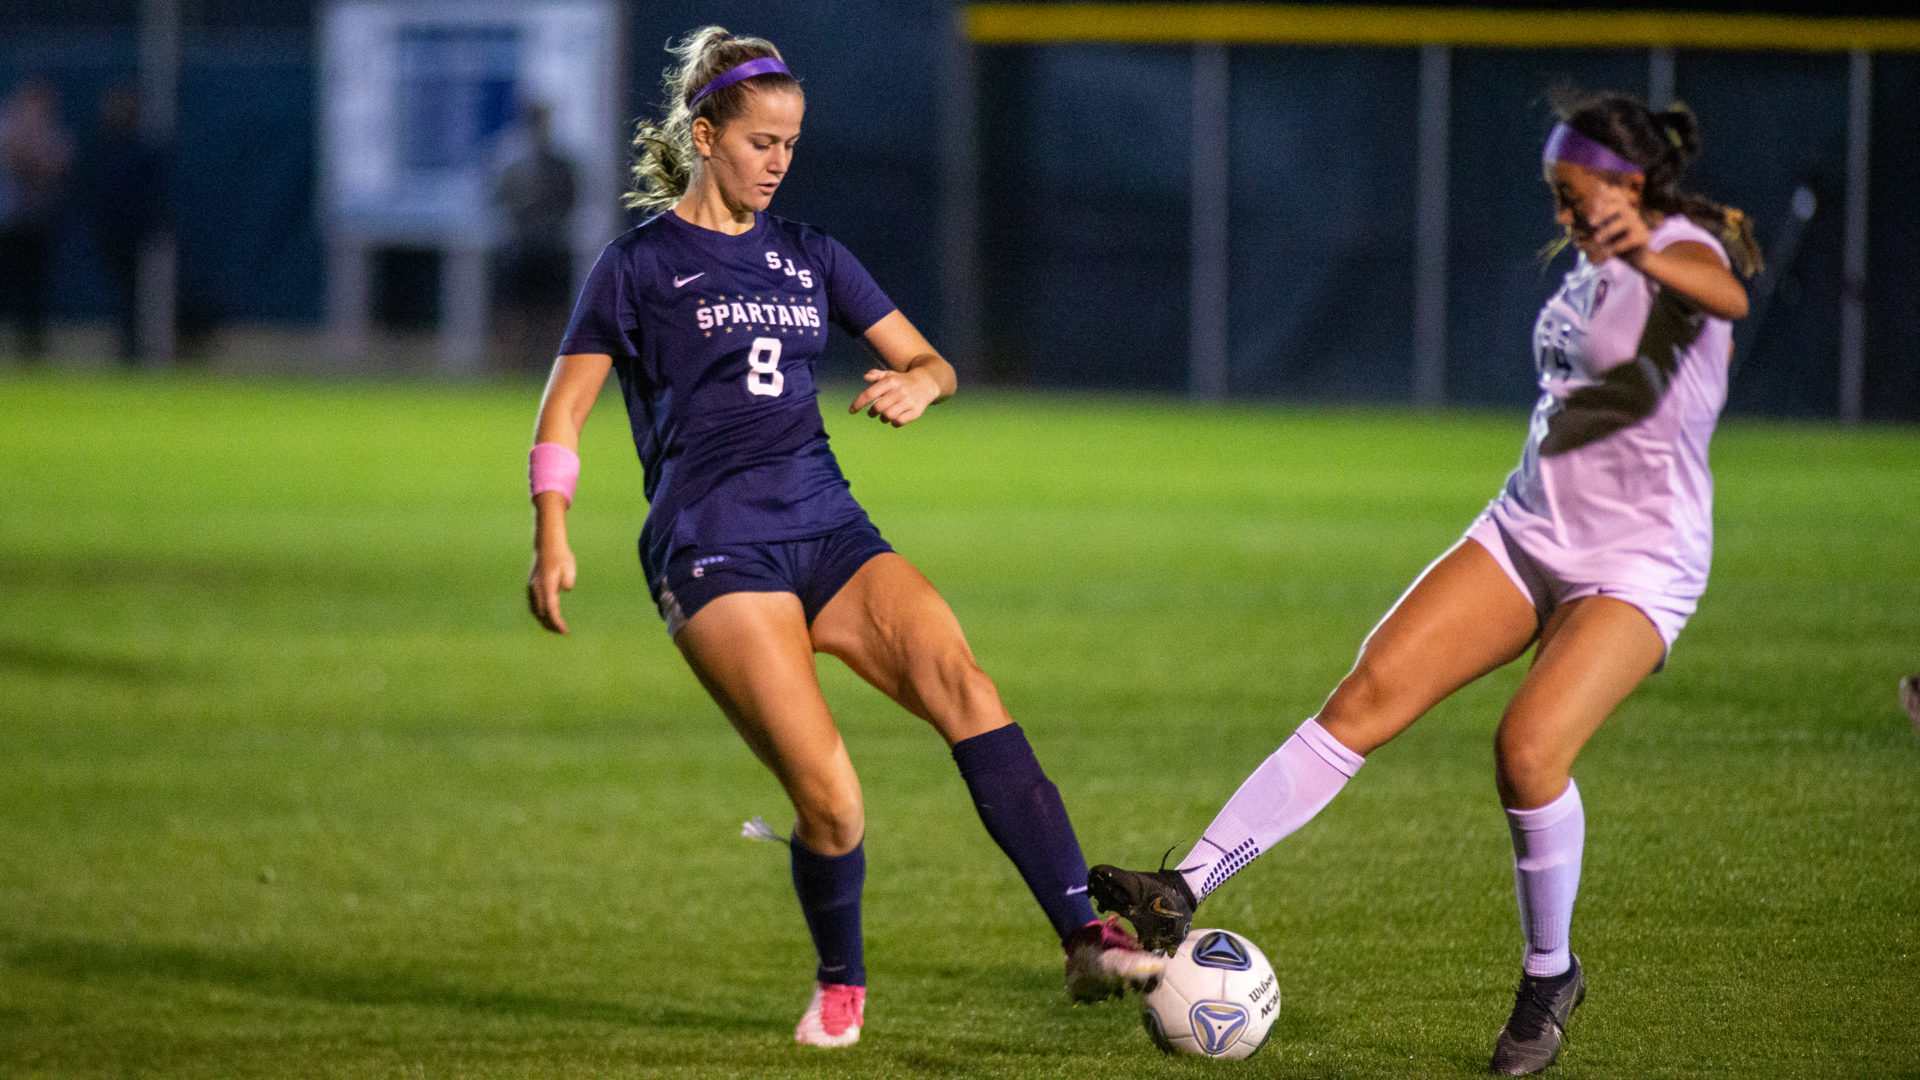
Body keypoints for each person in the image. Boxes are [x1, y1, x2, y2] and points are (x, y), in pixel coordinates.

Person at [1089, 91, 1759, 1076]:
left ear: (1629, 182)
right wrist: (1605, 248)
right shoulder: (1584, 268)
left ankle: (1549, 976)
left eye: (1576, 198)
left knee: (1528, 751)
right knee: (1365, 697)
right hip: (1527, 528)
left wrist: (1644, 249)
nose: (1566, 217)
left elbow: (1726, 293)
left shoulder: (1685, 251)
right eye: (1557, 199)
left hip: (1639, 561)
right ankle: (1180, 886)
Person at [523, 27, 1160, 1048]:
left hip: (827, 525)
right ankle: (840, 983)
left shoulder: (810, 253)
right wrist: (552, 534)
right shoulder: (638, 267)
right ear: (705, 134)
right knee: (832, 800)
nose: (779, 161)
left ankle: (1085, 935)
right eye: (761, 141)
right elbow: (561, 417)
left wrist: (919, 381)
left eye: (792, 143)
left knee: (968, 686)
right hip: (713, 546)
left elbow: (933, 361)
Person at [491, 100, 578, 372]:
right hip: (520, 246)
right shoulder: (510, 161)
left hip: (552, 246)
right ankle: (509, 369)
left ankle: (558, 369)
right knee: (513, 310)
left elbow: (571, 200)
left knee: (557, 311)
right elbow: (497, 200)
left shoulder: (561, 163)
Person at [88, 84, 164, 364]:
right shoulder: (105, 148)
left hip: (132, 231)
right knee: (121, 292)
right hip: (113, 230)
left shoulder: (140, 150)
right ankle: (126, 345)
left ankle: (132, 346)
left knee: (131, 293)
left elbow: (152, 194)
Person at [0, 78, 74, 361]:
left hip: (36, 224)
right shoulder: (7, 124)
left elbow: (56, 165)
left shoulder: (54, 133)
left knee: (33, 291)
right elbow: (15, 156)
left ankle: (30, 349)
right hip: (7, 222)